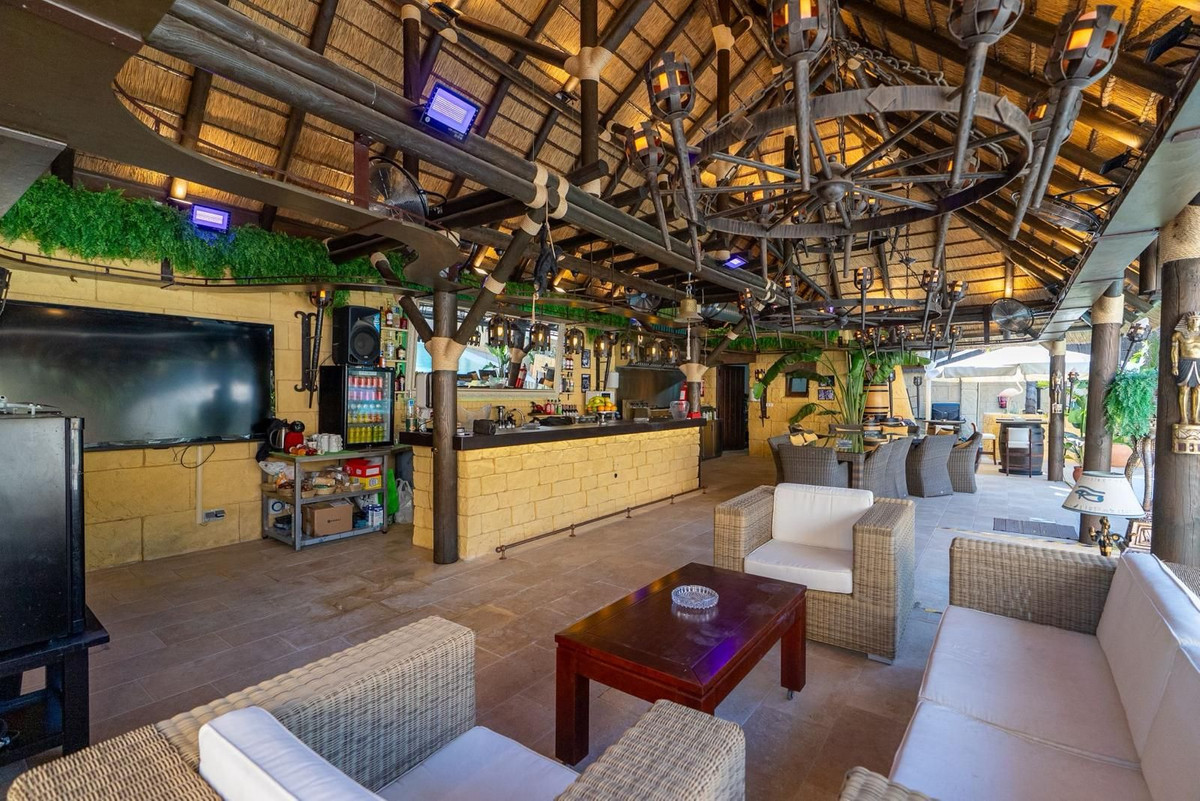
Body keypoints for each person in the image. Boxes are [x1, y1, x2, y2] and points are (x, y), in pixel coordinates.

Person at [1171, 311, 1200, 425]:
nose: (1195, 322)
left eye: (1197, 319)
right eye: (1192, 319)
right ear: (1186, 322)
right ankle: (1184, 418)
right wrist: (1174, 365)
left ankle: (1195, 418)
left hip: (1199, 362)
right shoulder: (1178, 335)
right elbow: (1174, 351)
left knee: (1198, 389)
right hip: (1184, 362)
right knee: (1184, 389)